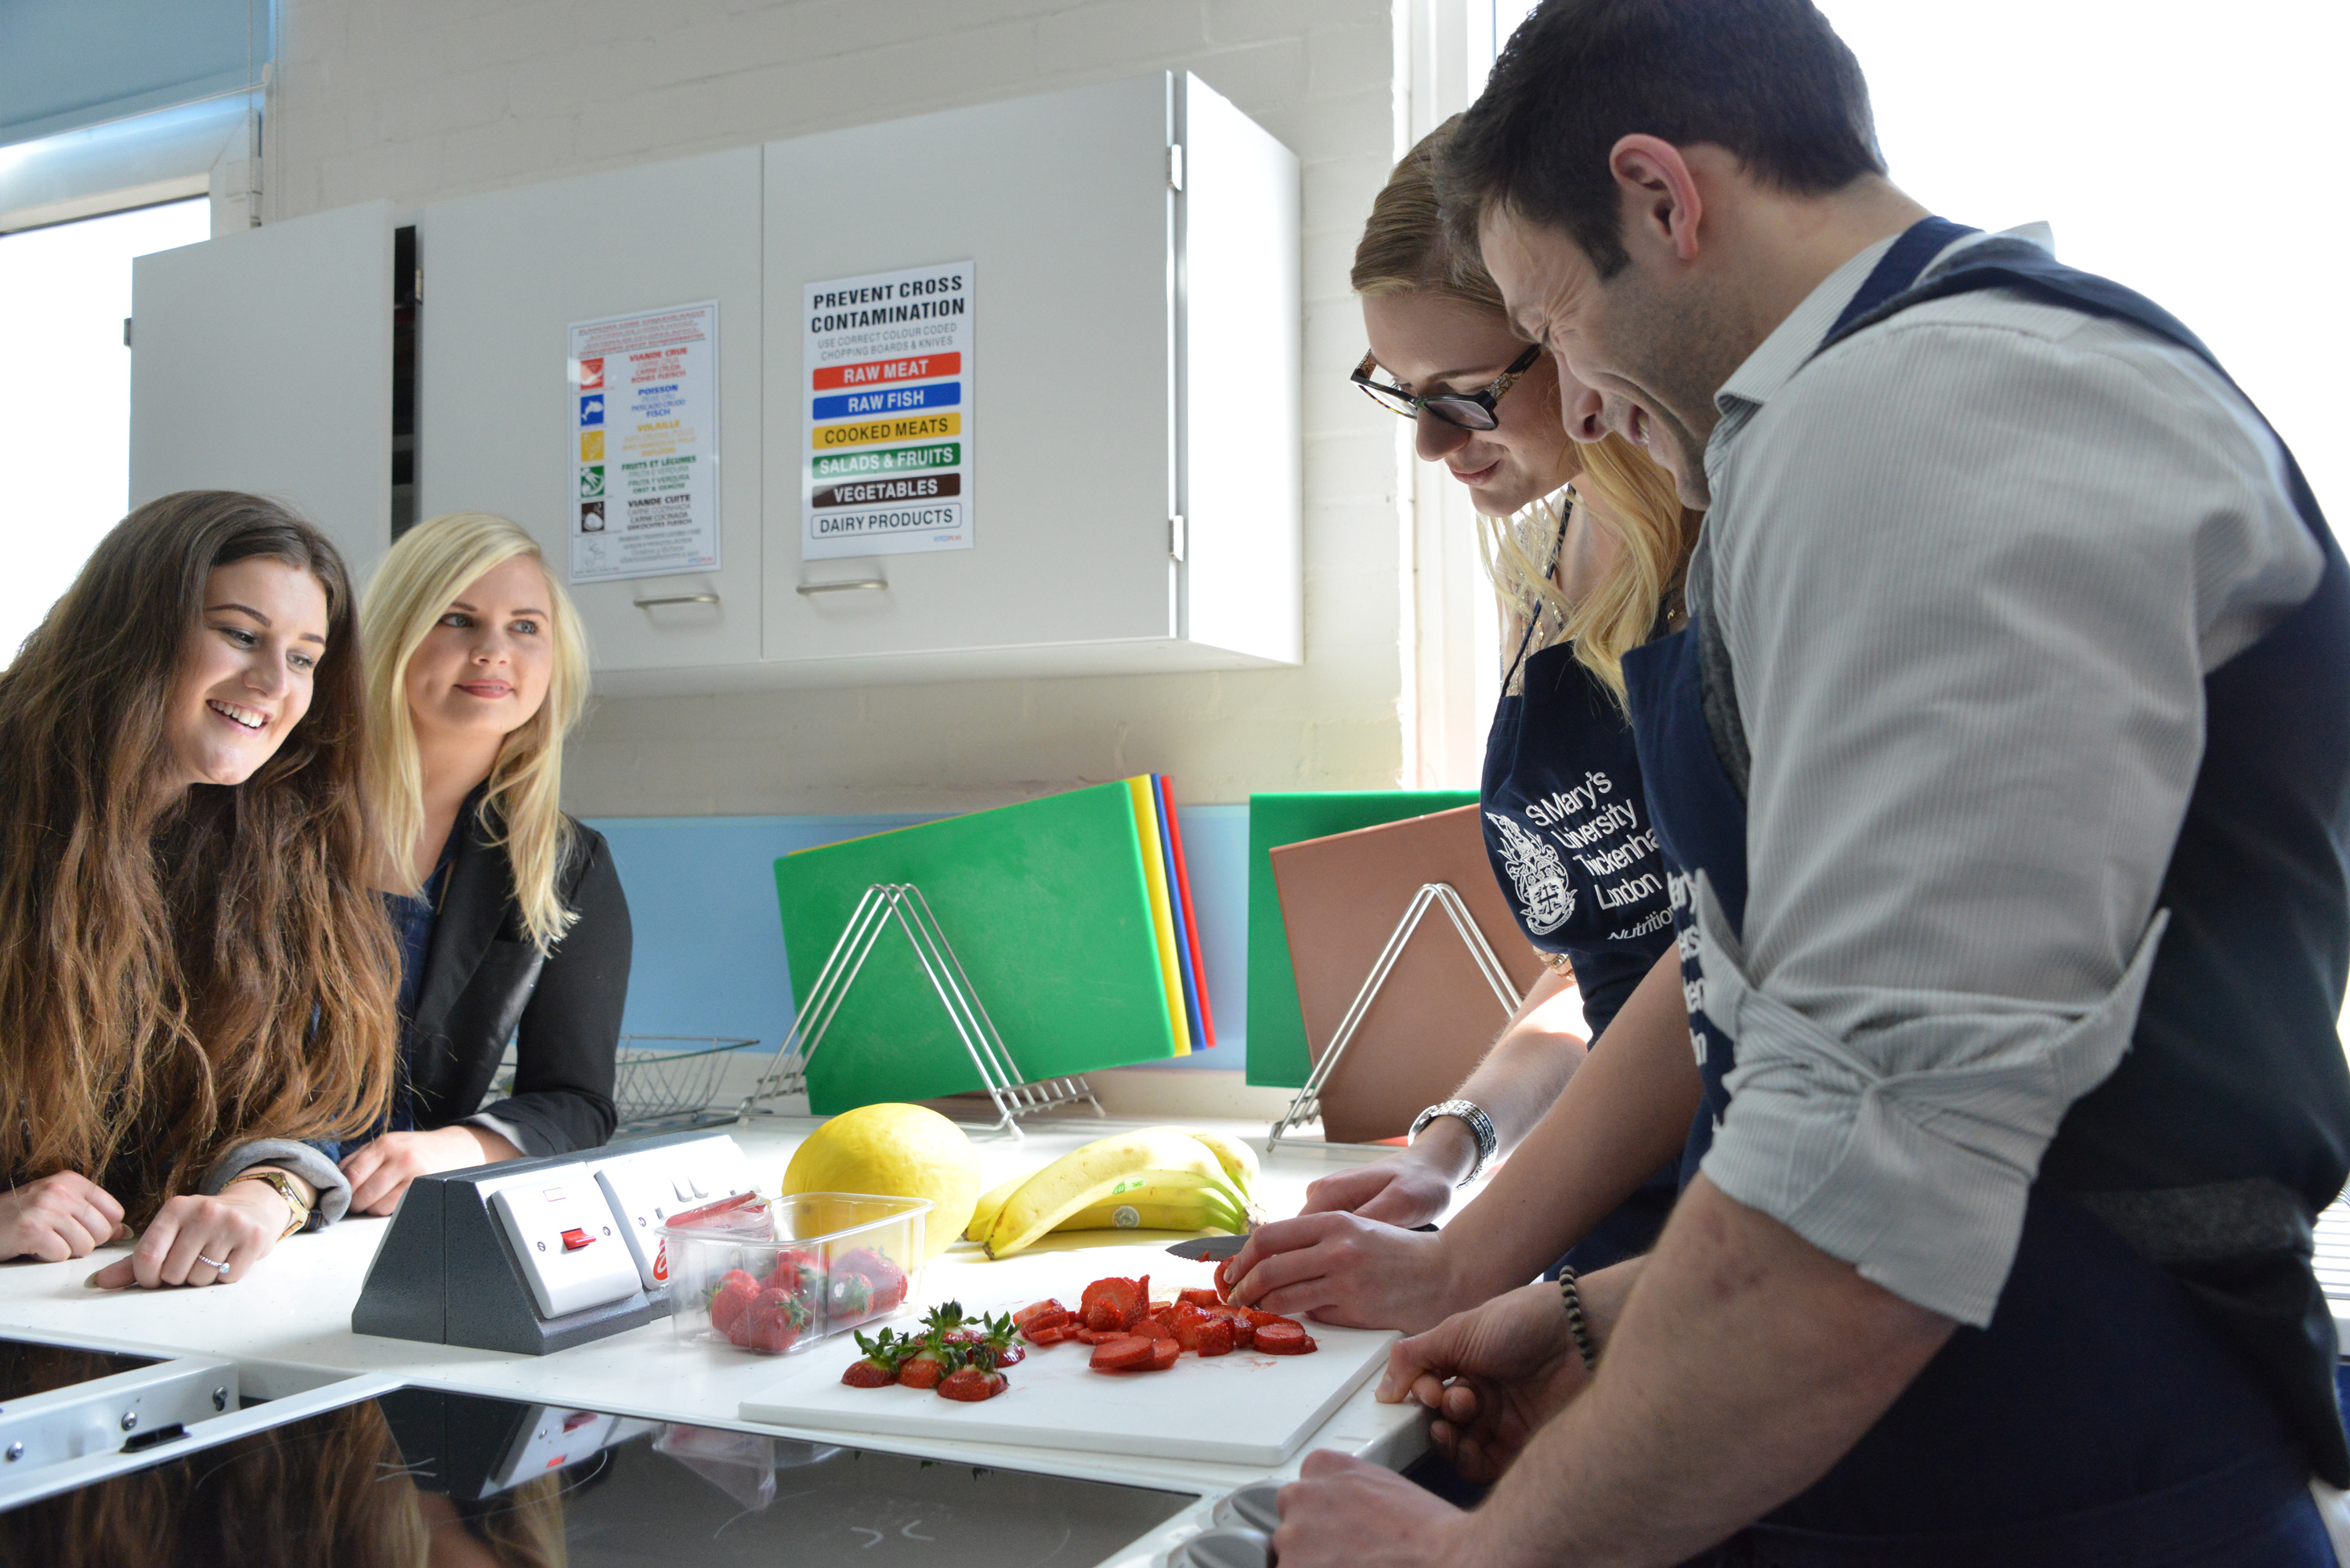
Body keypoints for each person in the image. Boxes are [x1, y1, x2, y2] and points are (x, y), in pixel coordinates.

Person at [1274, 1, 2350, 1564]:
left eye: (1551, 316)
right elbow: (1954, 1090)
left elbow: (1876, 1187)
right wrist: (1597, 1314)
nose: (1573, 397)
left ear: (1663, 196)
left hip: (2065, 1483)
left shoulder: (1931, 414)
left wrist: (1466, 1557)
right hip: (1937, 1438)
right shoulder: (1852, 427)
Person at [1220, 120, 1705, 1332]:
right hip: (1589, 1214)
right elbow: (1603, 961)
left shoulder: (1727, 551)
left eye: (1468, 396)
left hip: (1724, 1225)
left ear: (1573, 331)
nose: (1433, 446)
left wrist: (1467, 1257)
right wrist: (1452, 1148)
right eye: (1401, 396)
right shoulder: (1539, 560)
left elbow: (1721, 969)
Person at [0, 491, 399, 1288]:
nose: (271, 681)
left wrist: (267, 1195)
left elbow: (298, 1105)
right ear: (132, 629)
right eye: (240, 635)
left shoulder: (276, 848)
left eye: (303, 658)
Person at [337, 512, 631, 1216]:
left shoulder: (565, 863)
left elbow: (577, 1100)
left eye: (526, 626)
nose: (495, 651)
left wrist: (456, 1147)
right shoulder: (276, 815)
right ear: (394, 636)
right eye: (457, 620)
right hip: (213, 1203)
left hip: (381, 1222)